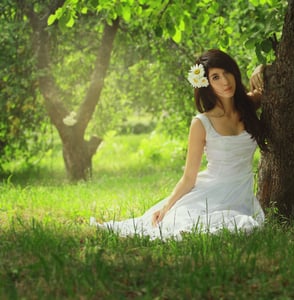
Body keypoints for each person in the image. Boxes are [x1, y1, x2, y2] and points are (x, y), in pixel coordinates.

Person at [92, 49, 266, 240]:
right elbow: (188, 178)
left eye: (227, 72)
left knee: (240, 225)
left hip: (241, 194)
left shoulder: (249, 105)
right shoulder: (202, 123)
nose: (225, 81)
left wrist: (261, 67)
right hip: (211, 192)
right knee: (190, 223)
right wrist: (166, 207)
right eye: (215, 77)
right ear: (206, 83)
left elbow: (270, 82)